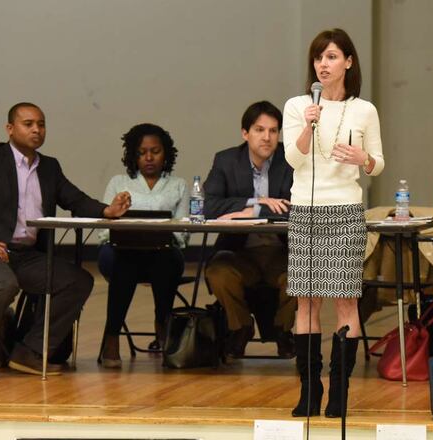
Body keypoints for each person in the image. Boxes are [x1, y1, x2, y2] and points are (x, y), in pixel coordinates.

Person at [0, 102, 130, 380]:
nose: (37, 129)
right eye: (28, 124)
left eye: (41, 124)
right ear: (10, 129)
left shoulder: (49, 167)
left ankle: (29, 351)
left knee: (77, 281)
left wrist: (107, 210)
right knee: (3, 283)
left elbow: (75, 199)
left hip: (25, 256)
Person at [283, 28, 385, 418]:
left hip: (344, 211)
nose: (323, 65)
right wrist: (308, 125)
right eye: (318, 58)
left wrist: (363, 159)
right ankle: (310, 389)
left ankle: (340, 391)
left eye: (331, 57)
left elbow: (378, 164)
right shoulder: (298, 106)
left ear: (348, 62)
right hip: (305, 210)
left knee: (346, 301)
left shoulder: (364, 110)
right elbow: (293, 160)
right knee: (306, 301)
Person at [203, 101, 295, 359]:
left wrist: (251, 211)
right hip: (241, 252)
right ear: (245, 133)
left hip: (282, 252)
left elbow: (298, 208)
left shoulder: (291, 161)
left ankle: (283, 330)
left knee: (302, 273)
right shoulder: (226, 161)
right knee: (217, 272)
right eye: (259, 130)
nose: (267, 137)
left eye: (273, 131)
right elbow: (209, 207)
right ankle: (240, 327)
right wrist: (257, 202)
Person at [97, 123, 188, 368]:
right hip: (120, 252)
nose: (149, 158)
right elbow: (104, 230)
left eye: (155, 151)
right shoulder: (118, 182)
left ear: (166, 154)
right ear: (132, 155)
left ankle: (163, 326)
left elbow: (183, 232)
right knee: (124, 261)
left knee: (165, 261)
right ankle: (112, 335)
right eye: (142, 152)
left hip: (162, 253)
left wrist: (163, 235)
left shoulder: (178, 185)